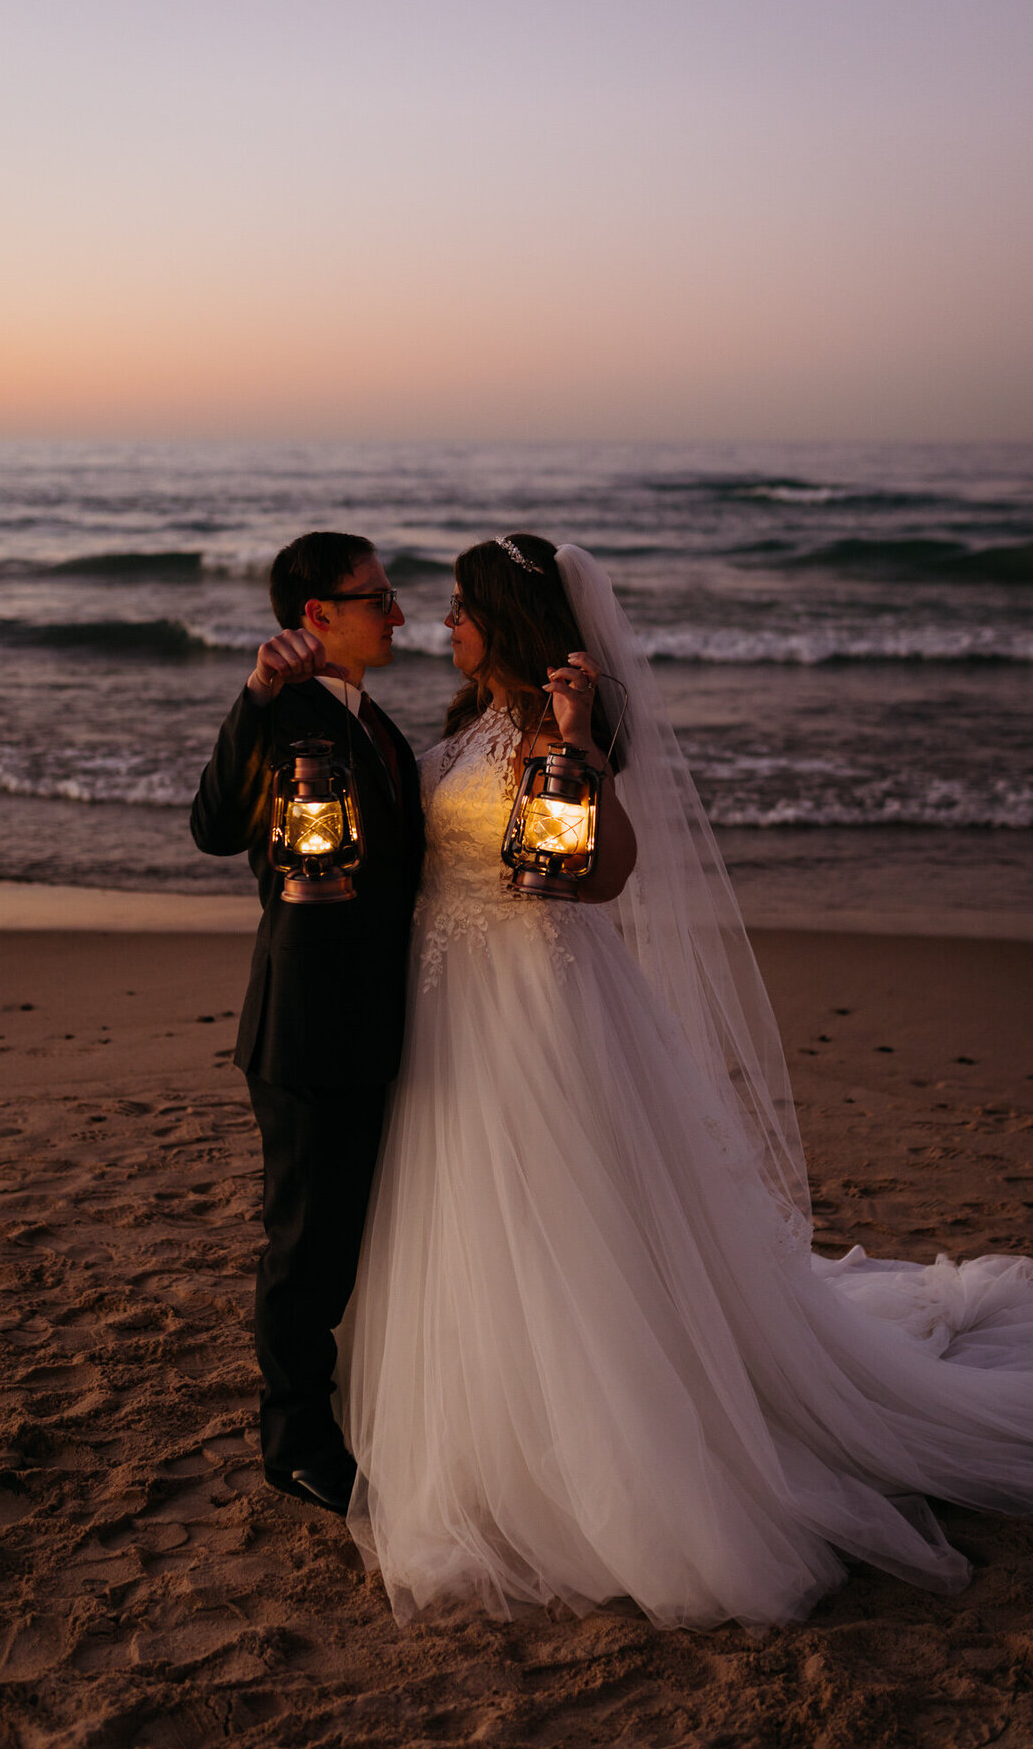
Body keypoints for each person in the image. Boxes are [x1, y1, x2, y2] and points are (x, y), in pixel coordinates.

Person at [337, 532, 1033, 1629]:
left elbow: (603, 878)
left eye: (465, 605)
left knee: (568, 1221)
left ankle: (618, 1463)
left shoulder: (561, 730)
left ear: (509, 619)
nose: (443, 620)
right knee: (471, 1216)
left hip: (539, 1000)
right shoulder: (463, 725)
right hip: (451, 1000)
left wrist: (576, 747)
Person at [190, 531, 423, 1517]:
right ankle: (294, 1443)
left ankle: (343, 1412)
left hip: (369, 1022)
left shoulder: (378, 724)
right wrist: (251, 696)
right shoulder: (283, 715)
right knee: (305, 1245)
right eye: (375, 597)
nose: (397, 611)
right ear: (317, 616)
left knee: (349, 1234)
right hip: (306, 1030)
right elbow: (212, 826)